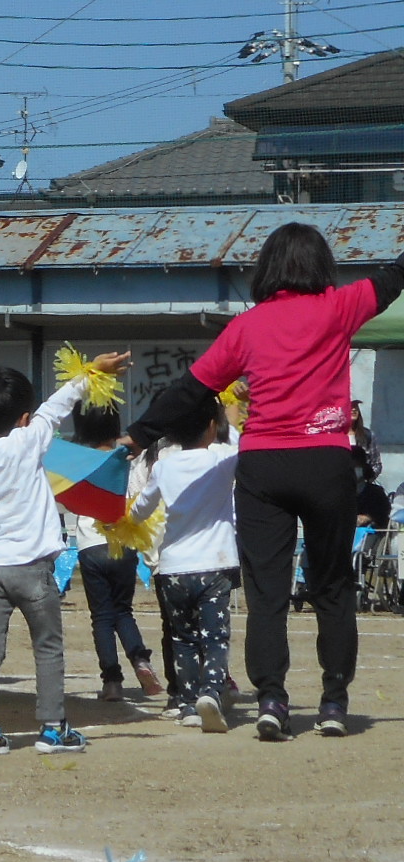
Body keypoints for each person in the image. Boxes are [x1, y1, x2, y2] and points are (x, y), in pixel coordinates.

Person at [130, 222, 402, 741]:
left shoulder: (247, 327)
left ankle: (272, 699)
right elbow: (394, 278)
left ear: (268, 269)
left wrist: (138, 434)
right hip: (325, 463)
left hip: (264, 467)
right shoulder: (340, 307)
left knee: (267, 591)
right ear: (321, 265)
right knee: (332, 586)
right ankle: (333, 703)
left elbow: (190, 391)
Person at [0, 353, 125, 757]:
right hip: (34, 569)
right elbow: (59, 405)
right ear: (24, 418)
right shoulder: (28, 440)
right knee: (47, 647)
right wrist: (92, 372)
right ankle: (52, 727)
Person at [130, 405, 239, 733]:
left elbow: (139, 511)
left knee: (183, 638)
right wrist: (231, 416)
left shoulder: (164, 466)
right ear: (211, 426)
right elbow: (246, 445)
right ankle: (211, 693)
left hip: (173, 567)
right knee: (215, 637)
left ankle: (188, 703)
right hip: (214, 564)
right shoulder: (222, 457)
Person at [70, 404, 161, 704]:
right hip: (123, 542)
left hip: (90, 546)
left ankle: (112, 681)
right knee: (123, 611)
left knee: (102, 618)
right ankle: (141, 660)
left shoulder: (79, 461)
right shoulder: (127, 460)